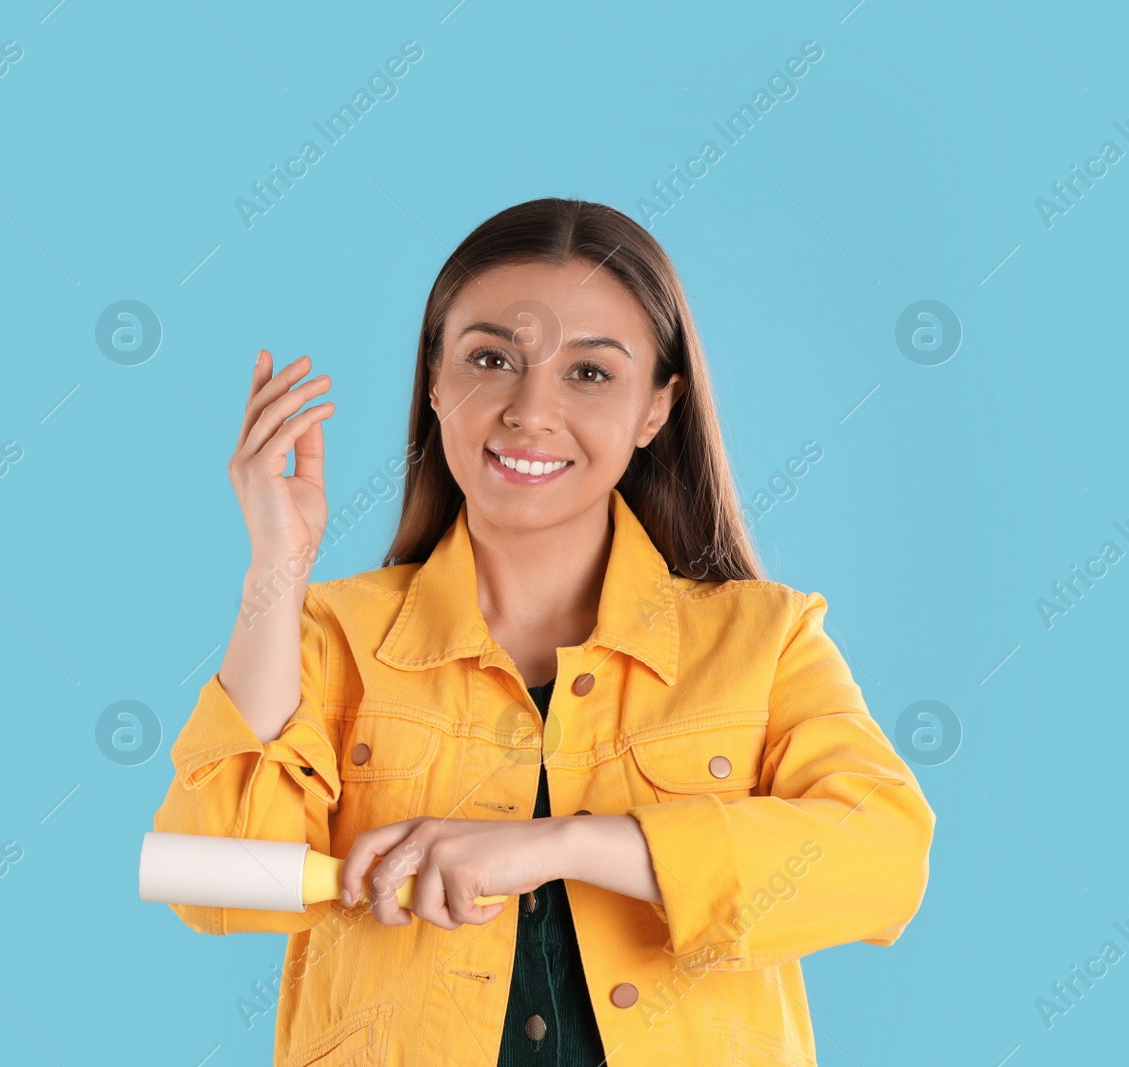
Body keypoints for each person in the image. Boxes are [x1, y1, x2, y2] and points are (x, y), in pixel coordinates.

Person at [151, 198, 935, 1066]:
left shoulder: (765, 638)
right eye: (492, 358)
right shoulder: (333, 635)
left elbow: (885, 856)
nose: (531, 409)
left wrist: (558, 844)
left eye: (591, 373)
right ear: (437, 382)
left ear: (656, 408)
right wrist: (277, 566)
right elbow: (206, 872)